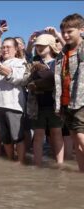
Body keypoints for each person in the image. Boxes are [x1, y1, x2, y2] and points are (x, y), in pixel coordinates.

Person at [25, 33, 64, 166]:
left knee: (56, 133)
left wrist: (56, 34)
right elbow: (27, 57)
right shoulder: (34, 63)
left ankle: (59, 164)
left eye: (43, 45)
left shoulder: (59, 61)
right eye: (37, 46)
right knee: (38, 136)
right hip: (37, 105)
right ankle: (37, 165)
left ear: (51, 46)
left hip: (55, 104)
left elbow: (66, 50)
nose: (39, 48)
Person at [54, 13, 84, 172]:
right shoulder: (61, 54)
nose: (65, 35)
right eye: (63, 31)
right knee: (76, 142)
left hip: (81, 102)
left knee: (81, 139)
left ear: (81, 30)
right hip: (66, 103)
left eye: (69, 31)